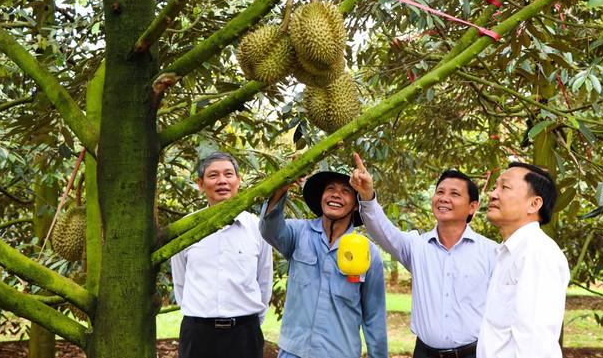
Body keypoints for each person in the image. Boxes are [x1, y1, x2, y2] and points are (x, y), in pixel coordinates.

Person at [350, 153, 498, 358]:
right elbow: (383, 231)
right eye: (440, 192)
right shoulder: (417, 246)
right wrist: (367, 196)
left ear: (472, 206)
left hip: (474, 353)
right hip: (424, 353)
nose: (444, 198)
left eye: (455, 194)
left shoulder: (491, 252)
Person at [259, 167, 388, 358]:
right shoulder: (298, 233)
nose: (336, 195)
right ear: (321, 197)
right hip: (293, 352)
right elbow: (269, 229)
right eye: (330, 189)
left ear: (355, 205)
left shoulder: (369, 253)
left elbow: (374, 317)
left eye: (346, 191)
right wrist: (281, 188)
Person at [171, 151, 273, 358]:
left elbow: (264, 281)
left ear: (238, 180)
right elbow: (181, 282)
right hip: (197, 334)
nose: (222, 181)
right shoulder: (185, 229)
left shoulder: (257, 228)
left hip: (244, 333)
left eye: (228, 174)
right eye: (213, 175)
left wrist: (249, 323)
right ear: (201, 184)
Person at [477, 162, 570, 358]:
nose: (493, 194)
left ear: (534, 204)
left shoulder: (536, 253)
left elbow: (535, 343)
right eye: (494, 187)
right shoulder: (509, 252)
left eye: (505, 187)